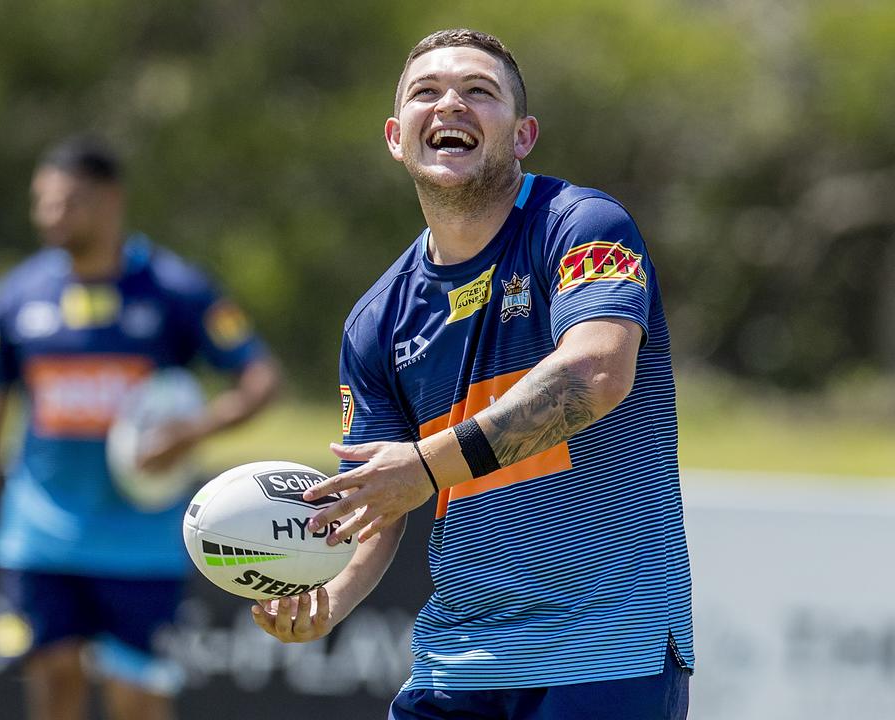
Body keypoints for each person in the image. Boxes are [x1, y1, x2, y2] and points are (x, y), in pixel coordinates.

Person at [250, 29, 694, 719]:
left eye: (478, 92)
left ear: (522, 136)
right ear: (397, 137)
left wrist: (424, 466)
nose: (450, 103)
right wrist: (329, 599)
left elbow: (598, 373)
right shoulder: (378, 318)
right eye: (426, 92)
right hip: (457, 660)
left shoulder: (581, 224)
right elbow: (381, 495)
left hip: (606, 648)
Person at [0, 137, 281, 720]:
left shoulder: (175, 291)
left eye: (68, 202)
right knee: (55, 688)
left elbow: (261, 381)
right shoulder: (17, 298)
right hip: (40, 539)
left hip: (141, 546)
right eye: (41, 202)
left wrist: (192, 430)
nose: (50, 215)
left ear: (111, 201)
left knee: (137, 704)